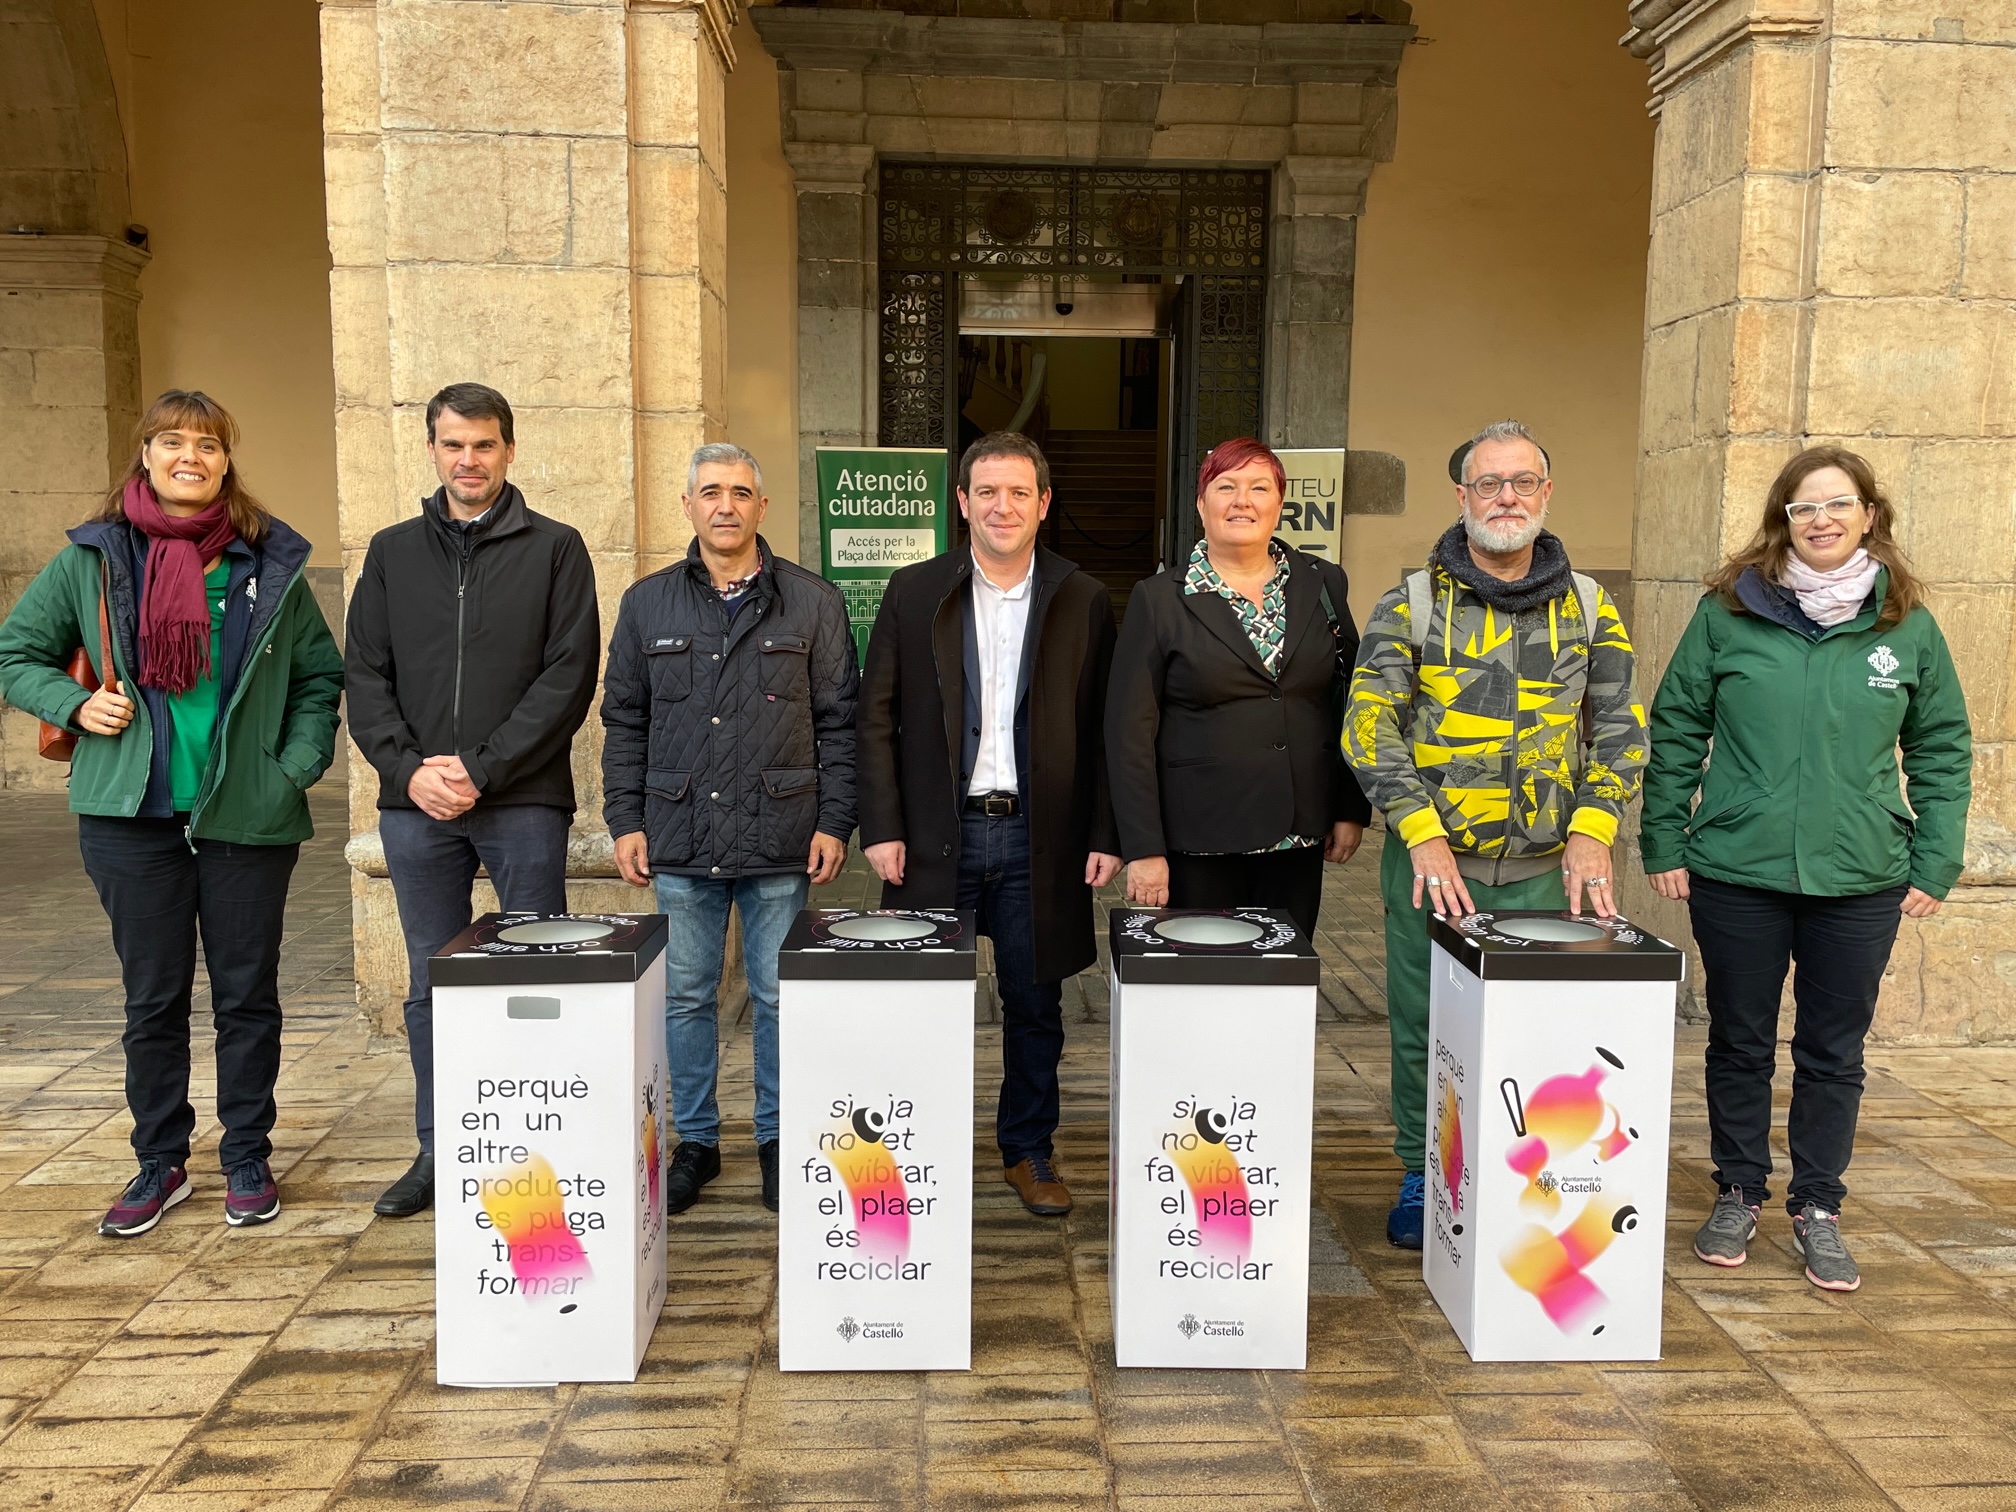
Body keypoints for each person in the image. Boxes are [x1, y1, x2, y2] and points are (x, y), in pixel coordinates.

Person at [0, 390, 343, 1236]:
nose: (191, 456)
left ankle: (247, 1155)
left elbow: (318, 677)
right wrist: (75, 708)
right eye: (173, 441)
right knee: (151, 999)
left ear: (228, 461)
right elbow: (17, 652)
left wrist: (291, 768)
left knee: (246, 995)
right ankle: (161, 1160)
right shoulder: (93, 557)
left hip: (246, 816)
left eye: (210, 444)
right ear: (145, 455)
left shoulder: (269, 564)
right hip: (130, 817)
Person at [1642, 447, 1970, 1294]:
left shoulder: (1906, 626)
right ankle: (1740, 1190)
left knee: (1834, 1051)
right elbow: (1677, 727)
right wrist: (1666, 841)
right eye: (1802, 508)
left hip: (1860, 876)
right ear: (1781, 520)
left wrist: (1935, 858)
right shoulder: (1727, 614)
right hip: (1738, 869)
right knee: (1739, 1040)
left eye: (1838, 505)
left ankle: (1818, 1204)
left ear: (1869, 516)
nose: (1820, 520)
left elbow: (1940, 747)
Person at [1345, 419, 1647, 1251]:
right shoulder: (1409, 602)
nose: (1505, 497)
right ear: (1463, 497)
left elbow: (1622, 727)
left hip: (1552, 870)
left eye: (1522, 482)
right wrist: (1420, 832)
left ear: (1545, 495)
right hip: (1435, 871)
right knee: (1424, 1025)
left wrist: (1593, 829)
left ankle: (1530, 1177)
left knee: (1543, 1035)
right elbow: (1369, 727)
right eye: (1489, 483)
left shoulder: (1591, 606)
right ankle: (1422, 1168)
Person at [345, 382, 601, 1218]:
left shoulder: (556, 549)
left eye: (483, 444)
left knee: (536, 974)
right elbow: (365, 678)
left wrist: (483, 768)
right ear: (431, 449)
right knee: (431, 981)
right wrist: (413, 769)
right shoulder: (390, 553)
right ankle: (442, 1147)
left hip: (523, 798)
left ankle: (541, 1143)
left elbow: (568, 676)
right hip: (413, 802)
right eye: (453, 444)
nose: (468, 460)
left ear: (509, 450)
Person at [857, 431, 1120, 1218]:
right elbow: (875, 715)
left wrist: (1106, 831)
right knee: (919, 997)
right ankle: (914, 1145)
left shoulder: (1083, 596)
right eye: (987, 492)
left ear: (1043, 504)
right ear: (963, 503)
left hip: (1040, 835)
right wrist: (881, 822)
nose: (1002, 507)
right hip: (939, 830)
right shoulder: (913, 592)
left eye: (1019, 493)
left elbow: (1108, 726)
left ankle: (1028, 1150)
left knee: (1034, 1002)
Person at [602, 444, 856, 1215]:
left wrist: (836, 820)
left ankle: (779, 1138)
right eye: (710, 492)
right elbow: (624, 719)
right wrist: (624, 819)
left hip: (783, 834)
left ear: (762, 507)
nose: (725, 506)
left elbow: (839, 722)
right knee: (686, 996)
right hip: (680, 833)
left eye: (741, 492)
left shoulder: (813, 602)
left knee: (780, 996)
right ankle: (698, 1144)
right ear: (687, 505)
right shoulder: (648, 604)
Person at [1106, 437, 1371, 943]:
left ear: (1279, 502)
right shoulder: (1160, 599)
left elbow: (1348, 701)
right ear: (1202, 504)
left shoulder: (1323, 584)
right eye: (1225, 486)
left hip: (1298, 829)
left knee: (1282, 981)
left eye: (1258, 487)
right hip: (1199, 837)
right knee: (1202, 985)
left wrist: (1348, 807)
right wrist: (1143, 847)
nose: (1241, 501)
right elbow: (1128, 732)